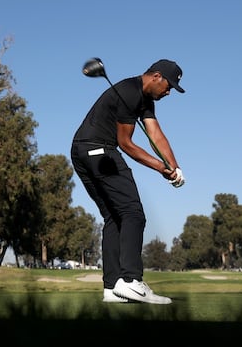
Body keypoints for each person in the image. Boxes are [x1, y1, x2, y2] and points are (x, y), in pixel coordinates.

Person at [70, 59, 186, 305]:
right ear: (156, 76)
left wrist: (174, 167)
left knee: (115, 216)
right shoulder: (130, 92)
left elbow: (156, 134)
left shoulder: (143, 99)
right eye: (168, 86)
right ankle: (132, 281)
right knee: (133, 213)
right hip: (99, 150)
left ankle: (112, 288)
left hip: (82, 151)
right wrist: (160, 168)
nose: (168, 92)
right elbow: (126, 144)